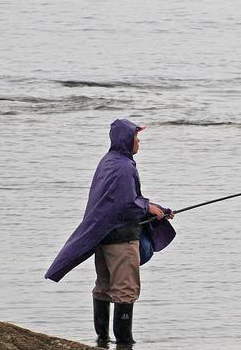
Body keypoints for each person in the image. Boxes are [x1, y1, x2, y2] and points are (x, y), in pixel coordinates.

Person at [45, 119, 176, 347]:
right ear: (127, 140)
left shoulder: (108, 162)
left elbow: (120, 199)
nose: (139, 142)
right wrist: (149, 208)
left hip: (104, 237)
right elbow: (126, 204)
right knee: (126, 291)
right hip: (122, 239)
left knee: (104, 288)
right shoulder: (124, 167)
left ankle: (102, 341)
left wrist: (157, 209)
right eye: (136, 138)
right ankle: (125, 344)